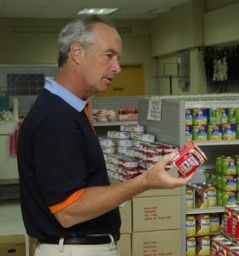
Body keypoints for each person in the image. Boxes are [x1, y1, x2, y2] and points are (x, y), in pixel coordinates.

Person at [17, 15, 193, 256]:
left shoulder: (69, 110)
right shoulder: (56, 118)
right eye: (109, 55)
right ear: (77, 53)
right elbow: (69, 210)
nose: (117, 67)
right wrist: (144, 182)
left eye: (118, 58)